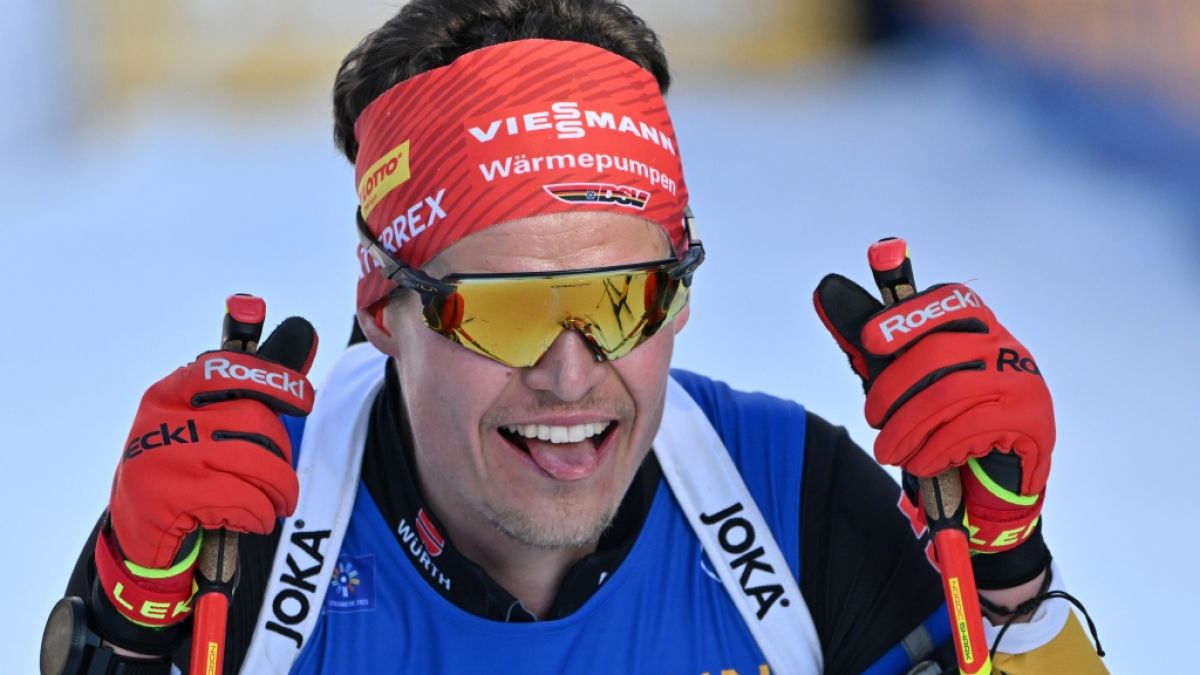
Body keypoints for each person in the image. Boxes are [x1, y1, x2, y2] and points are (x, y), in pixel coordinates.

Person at [43, 1, 1106, 673]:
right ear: (383, 312)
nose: (570, 372)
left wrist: (1009, 576)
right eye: (504, 309)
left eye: (621, 300)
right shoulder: (246, 528)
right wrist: (128, 634)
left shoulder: (794, 505)